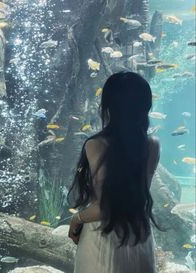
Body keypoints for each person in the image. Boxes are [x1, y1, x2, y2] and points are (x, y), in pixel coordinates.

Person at [67, 71, 161, 273]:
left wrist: (77, 219)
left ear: (109, 107)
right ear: (145, 107)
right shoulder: (152, 146)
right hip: (139, 235)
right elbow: (135, 200)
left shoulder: (95, 145)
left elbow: (107, 207)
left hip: (103, 238)